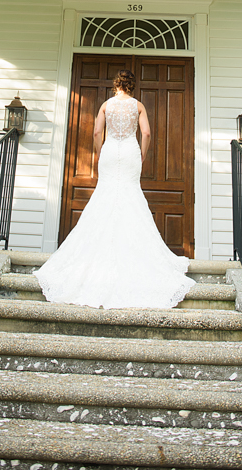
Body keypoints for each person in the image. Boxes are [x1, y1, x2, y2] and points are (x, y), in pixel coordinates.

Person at [35, 69, 194, 309]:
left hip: (110, 152)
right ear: (131, 86)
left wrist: (101, 152)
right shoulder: (138, 105)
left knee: (104, 196)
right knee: (131, 195)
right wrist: (143, 153)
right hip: (130, 151)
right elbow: (147, 133)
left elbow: (97, 132)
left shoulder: (106, 105)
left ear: (116, 85)